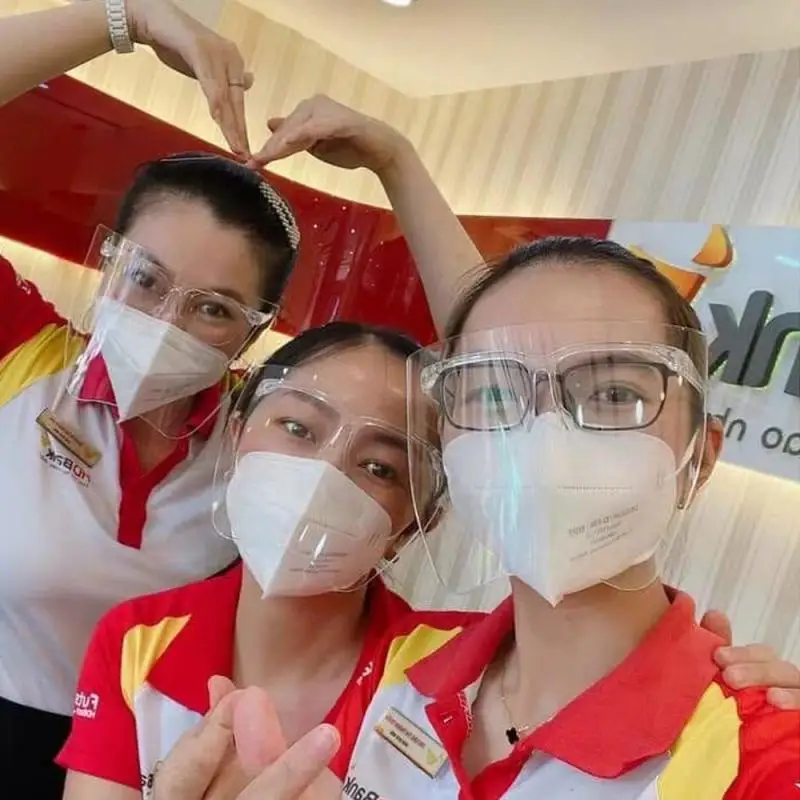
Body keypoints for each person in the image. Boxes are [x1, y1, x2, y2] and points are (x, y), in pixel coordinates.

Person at [0, 2, 483, 792]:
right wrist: (126, 16)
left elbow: (497, 364)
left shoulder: (270, 435)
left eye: (214, 308)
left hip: (163, 743)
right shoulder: (24, 356)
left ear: (254, 332)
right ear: (108, 261)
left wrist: (396, 162)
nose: (167, 321)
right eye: (145, 279)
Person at [339, 236, 800, 800]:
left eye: (613, 393)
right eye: (493, 395)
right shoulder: (399, 659)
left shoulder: (761, 755)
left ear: (698, 460)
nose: (544, 441)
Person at [57, 320, 462, 798]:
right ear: (236, 435)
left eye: (379, 468)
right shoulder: (136, 642)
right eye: (298, 429)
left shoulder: (448, 675)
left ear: (413, 526)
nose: (322, 477)